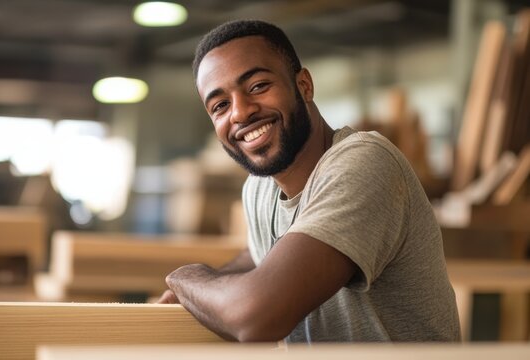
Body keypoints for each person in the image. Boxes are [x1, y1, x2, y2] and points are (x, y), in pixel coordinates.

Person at [158, 19, 461, 343]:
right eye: (220, 105)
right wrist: (213, 284)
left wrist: (187, 278)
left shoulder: (365, 164)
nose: (240, 112)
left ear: (304, 86)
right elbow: (264, 253)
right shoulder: (260, 188)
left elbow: (257, 318)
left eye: (258, 86)